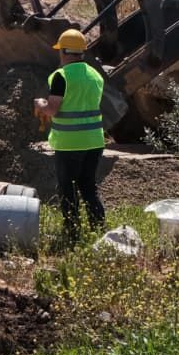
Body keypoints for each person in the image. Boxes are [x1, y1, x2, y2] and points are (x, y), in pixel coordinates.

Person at [32, 28, 107, 244]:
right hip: (94, 141)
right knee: (88, 187)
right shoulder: (95, 75)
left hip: (70, 143)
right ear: (82, 52)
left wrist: (40, 104)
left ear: (64, 51)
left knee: (67, 189)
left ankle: (72, 235)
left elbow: (52, 110)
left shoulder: (61, 77)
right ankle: (98, 229)